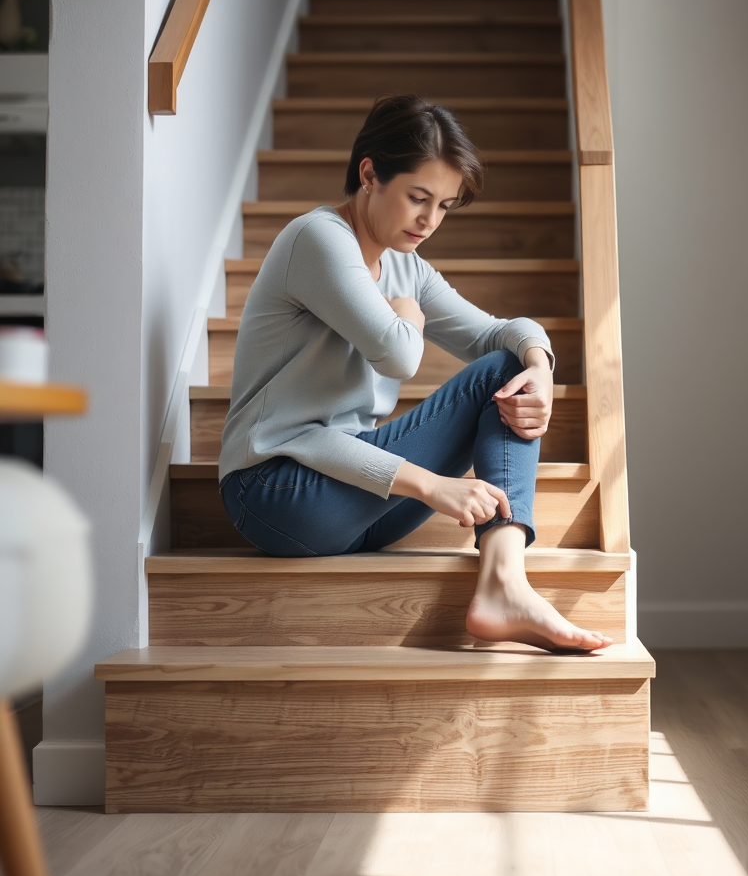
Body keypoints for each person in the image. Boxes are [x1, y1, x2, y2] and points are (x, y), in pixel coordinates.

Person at [219, 94, 612, 653]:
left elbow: (496, 333)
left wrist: (540, 364)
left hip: (358, 500)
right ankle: (502, 586)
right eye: (418, 198)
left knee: (510, 369)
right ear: (369, 174)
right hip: (274, 492)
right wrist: (430, 483)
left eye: (444, 206)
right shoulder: (318, 239)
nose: (429, 221)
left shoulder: (406, 267)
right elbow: (399, 356)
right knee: (496, 374)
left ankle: (503, 579)